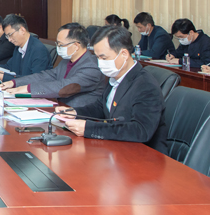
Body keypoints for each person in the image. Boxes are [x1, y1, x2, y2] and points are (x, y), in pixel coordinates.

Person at [55, 25, 168, 154]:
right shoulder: (116, 77)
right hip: (117, 149)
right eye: (97, 57)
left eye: (104, 58)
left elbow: (140, 131)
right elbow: (101, 107)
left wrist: (89, 128)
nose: (100, 63)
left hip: (143, 156)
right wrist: (74, 112)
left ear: (124, 54)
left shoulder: (145, 85)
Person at [0, 23, 106, 107]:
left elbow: (64, 87)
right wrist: (14, 82)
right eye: (57, 44)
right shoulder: (66, 61)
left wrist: (28, 88)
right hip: (59, 109)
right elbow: (47, 76)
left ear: (76, 46)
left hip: (78, 115)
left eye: (61, 45)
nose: (58, 47)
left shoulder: (92, 67)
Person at [0, 14, 51, 82]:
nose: (9, 40)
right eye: (7, 36)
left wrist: (5, 77)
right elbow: (9, 66)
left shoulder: (38, 50)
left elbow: (35, 80)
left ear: (22, 30)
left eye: (10, 35)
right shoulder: (18, 47)